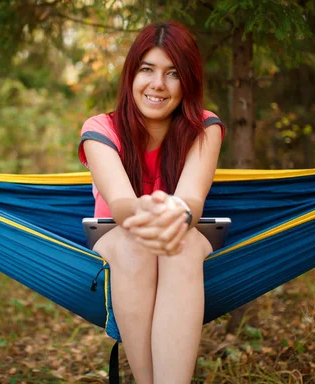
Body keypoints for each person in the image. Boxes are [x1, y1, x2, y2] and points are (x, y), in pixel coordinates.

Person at [78, 21, 225, 383]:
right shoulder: (100, 129)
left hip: (181, 231)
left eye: (172, 73)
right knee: (136, 243)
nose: (157, 84)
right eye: (147, 70)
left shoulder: (205, 128)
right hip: (117, 235)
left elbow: (192, 197)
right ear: (131, 75)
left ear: (187, 82)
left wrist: (176, 213)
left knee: (181, 243)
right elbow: (120, 203)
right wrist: (143, 213)